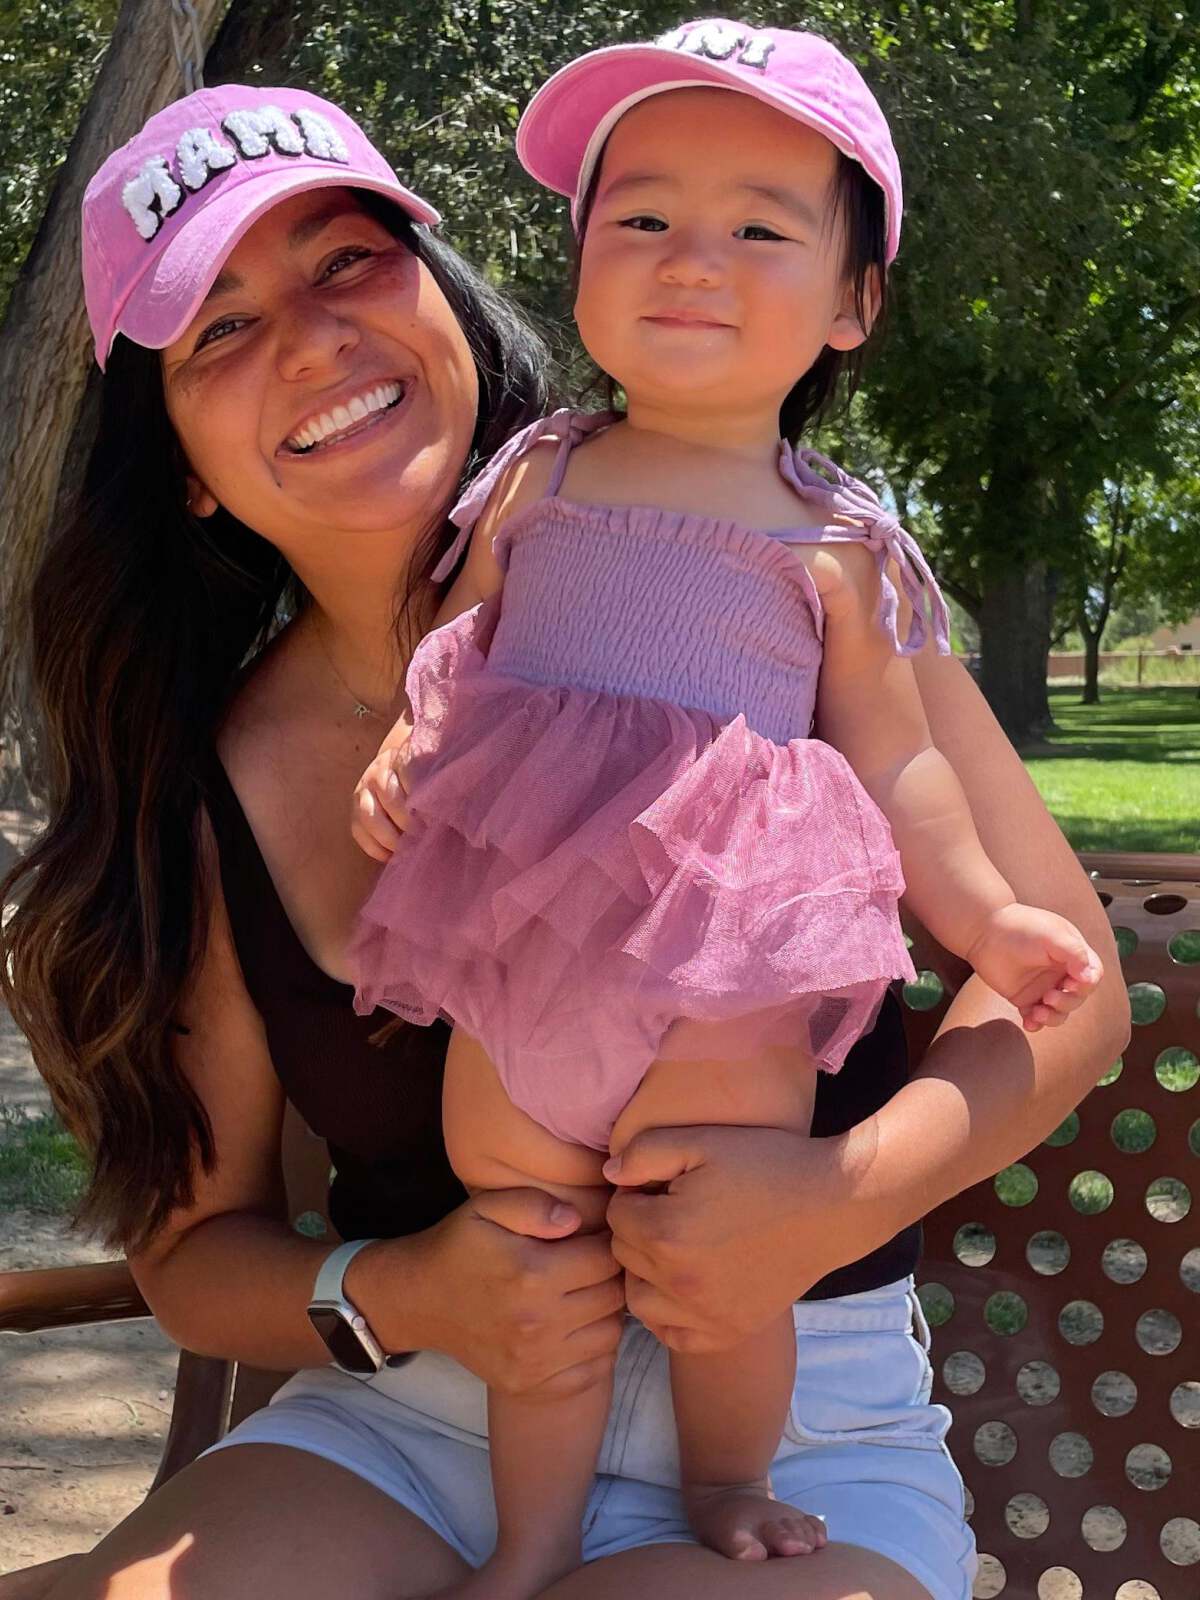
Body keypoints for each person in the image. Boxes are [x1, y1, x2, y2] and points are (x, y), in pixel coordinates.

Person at [0, 76, 1126, 1600]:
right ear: (184, 463)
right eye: (222, 327)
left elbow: (1070, 1000)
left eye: (348, 261)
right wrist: (406, 1290)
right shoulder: (206, 791)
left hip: (802, 1448)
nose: (317, 340)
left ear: (450, 296)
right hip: (414, 1429)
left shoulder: (784, 554)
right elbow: (195, 1256)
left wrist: (833, 1197)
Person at [348, 23, 1101, 1598]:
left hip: (723, 965)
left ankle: (725, 1482)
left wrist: (987, 918)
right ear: (579, 270)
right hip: (521, 939)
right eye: (641, 219)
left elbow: (904, 769)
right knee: (533, 1238)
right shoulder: (538, 479)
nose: (693, 256)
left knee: (720, 1267)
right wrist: (408, 748)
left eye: (761, 227)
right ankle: (534, 1539)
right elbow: (458, 655)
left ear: (850, 304)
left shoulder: (835, 544)